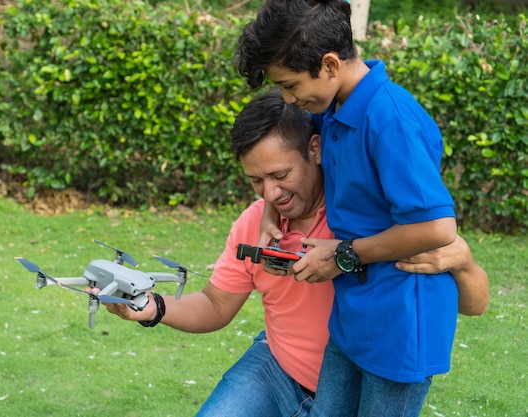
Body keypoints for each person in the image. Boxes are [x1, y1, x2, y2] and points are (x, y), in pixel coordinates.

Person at [91, 90, 488, 417]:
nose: (271, 193)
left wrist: (464, 261)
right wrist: (153, 308)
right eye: (256, 181)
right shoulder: (254, 224)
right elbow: (215, 304)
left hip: (359, 381)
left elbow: (476, 303)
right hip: (277, 365)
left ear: (316, 149)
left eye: (280, 176)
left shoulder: (367, 220)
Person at [236, 0, 476, 415]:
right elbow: (292, 165)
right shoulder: (332, 108)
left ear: (329, 65)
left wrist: (344, 255)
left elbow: (437, 228)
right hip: (352, 317)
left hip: (400, 325)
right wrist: (273, 211)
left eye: (290, 85)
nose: (289, 101)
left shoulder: (390, 118)